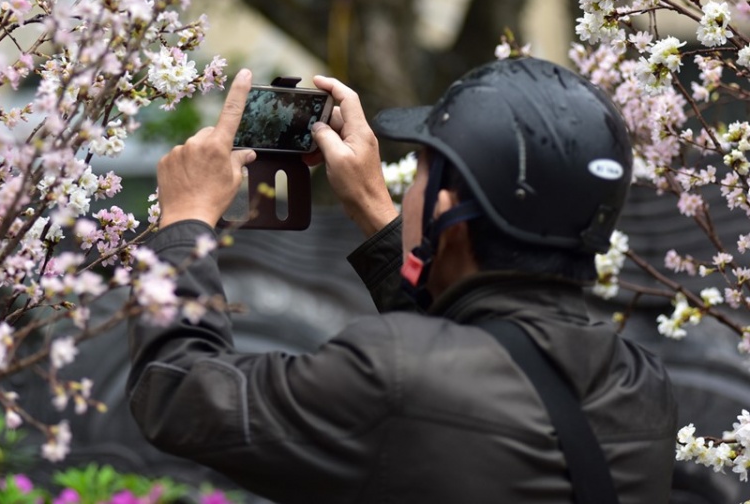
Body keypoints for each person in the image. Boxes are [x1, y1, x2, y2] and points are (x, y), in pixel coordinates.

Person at [126, 57, 678, 503]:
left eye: (417, 169)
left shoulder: (393, 372)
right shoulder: (642, 386)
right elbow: (480, 351)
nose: (404, 188)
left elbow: (177, 392)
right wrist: (373, 207)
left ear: (444, 207)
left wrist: (184, 222)